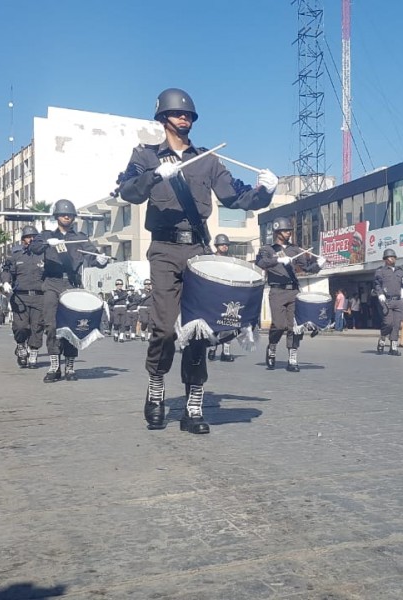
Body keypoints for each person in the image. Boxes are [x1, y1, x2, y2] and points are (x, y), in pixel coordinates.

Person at [116, 87, 277, 434]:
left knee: (199, 331)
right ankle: (156, 388)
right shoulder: (145, 156)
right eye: (177, 114)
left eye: (188, 114)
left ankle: (193, 405)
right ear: (163, 118)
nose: (184, 118)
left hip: (198, 252)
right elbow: (127, 191)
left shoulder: (208, 160)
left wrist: (266, 191)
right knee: (163, 327)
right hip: (163, 249)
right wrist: (156, 175)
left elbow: (237, 196)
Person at [29, 199, 109, 382]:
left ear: (73, 217)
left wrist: (102, 261)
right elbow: (34, 248)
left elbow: (94, 257)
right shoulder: (46, 235)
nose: (67, 217)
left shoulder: (79, 237)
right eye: (63, 214)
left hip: (71, 284)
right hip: (51, 283)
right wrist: (47, 243)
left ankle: (70, 366)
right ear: (56, 216)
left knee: (72, 326)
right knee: (51, 325)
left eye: (70, 215)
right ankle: (54, 366)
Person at [256, 217, 325, 372]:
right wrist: (277, 260)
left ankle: (292, 358)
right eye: (286, 230)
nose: (289, 233)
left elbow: (307, 268)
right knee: (279, 325)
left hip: (293, 290)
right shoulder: (267, 249)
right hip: (276, 291)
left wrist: (319, 265)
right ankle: (272, 347)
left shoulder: (295, 249)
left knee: (294, 327)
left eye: (289, 231)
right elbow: (260, 263)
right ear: (277, 232)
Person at [0, 225, 45, 368]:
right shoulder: (16, 255)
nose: (31, 239)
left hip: (40, 297)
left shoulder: (44, 255)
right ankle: (20, 345)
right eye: (28, 237)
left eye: (33, 237)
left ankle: (33, 352)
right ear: (23, 239)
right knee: (20, 327)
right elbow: (6, 270)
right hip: (20, 297)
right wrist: (6, 282)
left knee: (37, 327)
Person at [373, 248, 403, 356]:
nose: (393, 259)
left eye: (394, 257)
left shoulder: (400, 271)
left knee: (396, 325)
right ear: (385, 259)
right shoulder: (380, 271)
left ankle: (393, 347)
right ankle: (382, 339)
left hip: (398, 300)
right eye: (391, 257)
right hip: (387, 300)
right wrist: (380, 293)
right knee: (388, 323)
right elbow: (377, 284)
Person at [207, 233, 238, 362]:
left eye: (226, 244)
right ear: (217, 246)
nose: (225, 246)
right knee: (214, 323)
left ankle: (226, 352)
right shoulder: (211, 259)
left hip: (229, 294)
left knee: (229, 324)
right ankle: (213, 347)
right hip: (214, 294)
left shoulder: (232, 259)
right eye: (222, 244)